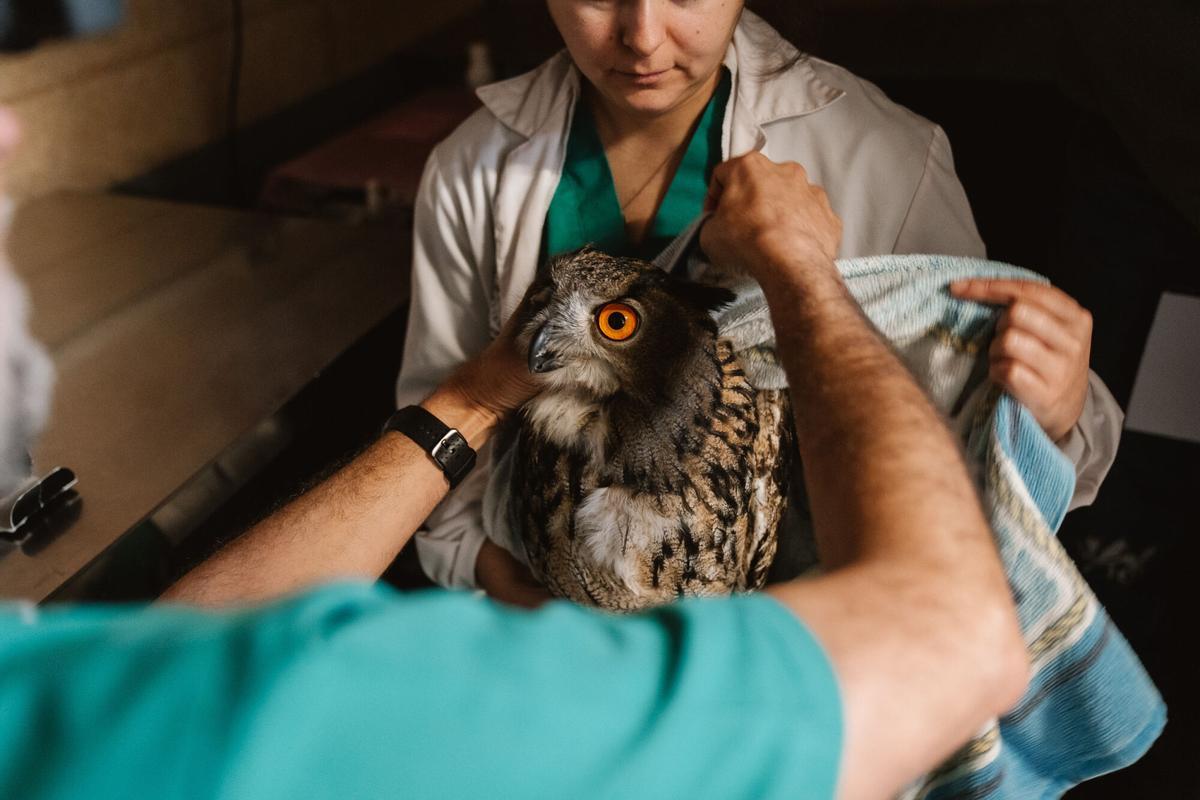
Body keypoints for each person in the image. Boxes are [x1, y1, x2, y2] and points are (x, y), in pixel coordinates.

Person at [0, 106, 1029, 799]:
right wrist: (807, 277)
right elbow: (956, 635)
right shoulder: (475, 706)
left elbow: (187, 649)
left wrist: (1057, 411)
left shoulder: (58, 690)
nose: (640, 28)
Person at [396, 2, 1121, 604]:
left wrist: (1050, 408)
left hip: (805, 647)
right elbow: (441, 458)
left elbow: (991, 448)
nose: (642, 34)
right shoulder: (472, 169)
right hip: (552, 638)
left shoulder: (883, 155)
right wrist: (558, 629)